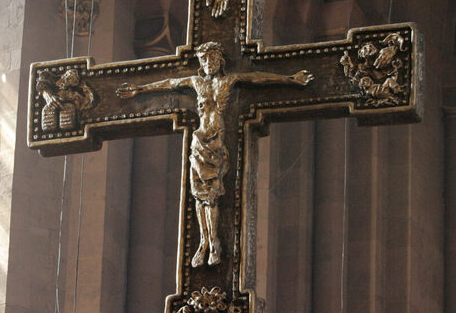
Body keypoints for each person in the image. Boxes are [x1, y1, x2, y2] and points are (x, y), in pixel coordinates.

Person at [117, 42, 312, 266]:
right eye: (204, 60)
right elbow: (170, 83)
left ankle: (214, 242)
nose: (207, 63)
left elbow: (256, 78)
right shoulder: (195, 82)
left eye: (211, 59)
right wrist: (140, 89)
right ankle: (204, 242)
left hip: (216, 142)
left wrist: (289, 79)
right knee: (199, 195)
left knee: (211, 196)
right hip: (199, 142)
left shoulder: (228, 81)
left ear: (220, 61)